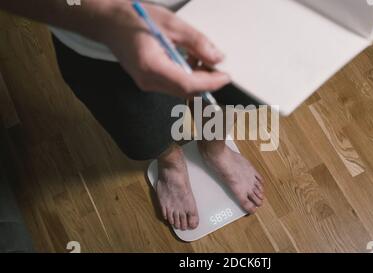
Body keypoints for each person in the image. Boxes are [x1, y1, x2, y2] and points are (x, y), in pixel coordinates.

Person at [0, 0, 264, 231]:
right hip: (103, 39)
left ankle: (215, 148)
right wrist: (110, 16)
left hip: (239, 9)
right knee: (141, 123)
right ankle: (171, 163)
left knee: (232, 92)